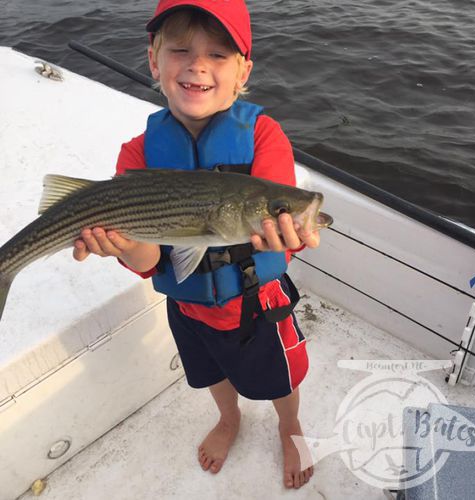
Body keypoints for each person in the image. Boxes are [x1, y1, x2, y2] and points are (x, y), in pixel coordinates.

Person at [73, 0, 320, 490]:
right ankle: (229, 419)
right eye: (180, 50)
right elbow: (151, 259)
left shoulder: (262, 135)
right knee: (209, 373)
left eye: (219, 55)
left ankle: (288, 424)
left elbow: (276, 223)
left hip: (256, 302)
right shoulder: (137, 154)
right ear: (153, 60)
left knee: (281, 380)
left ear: (243, 70)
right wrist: (122, 246)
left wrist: (290, 236)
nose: (198, 64)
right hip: (187, 308)